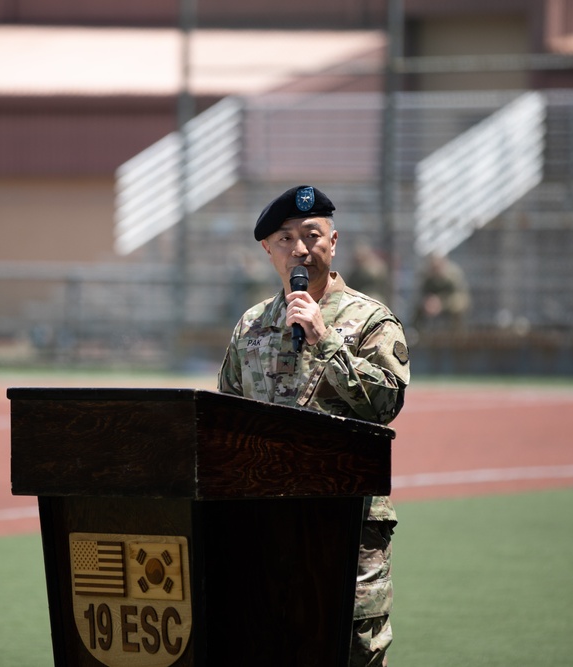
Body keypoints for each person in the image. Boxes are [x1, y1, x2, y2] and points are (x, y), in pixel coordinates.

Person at [217, 185, 410, 666]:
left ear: (334, 240)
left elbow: (386, 403)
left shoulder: (371, 320)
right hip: (265, 524)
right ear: (268, 249)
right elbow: (223, 418)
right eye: (285, 238)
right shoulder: (252, 326)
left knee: (351, 651)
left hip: (345, 523)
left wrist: (325, 340)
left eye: (311, 235)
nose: (300, 248)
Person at [413, 252, 471, 336]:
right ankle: (417, 336)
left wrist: (441, 303)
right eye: (433, 267)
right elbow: (418, 297)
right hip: (430, 310)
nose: (435, 270)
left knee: (458, 311)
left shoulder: (453, 276)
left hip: (450, 310)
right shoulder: (426, 276)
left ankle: (457, 336)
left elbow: (463, 300)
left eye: (437, 266)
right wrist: (427, 303)